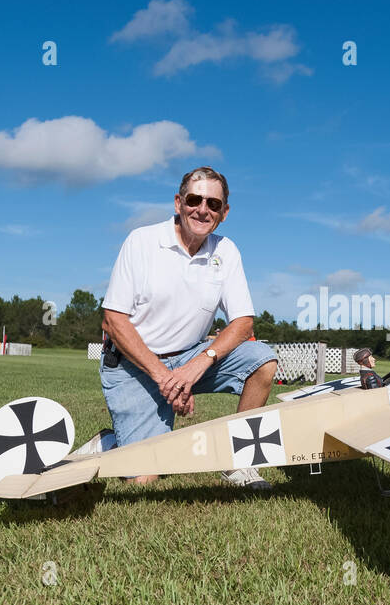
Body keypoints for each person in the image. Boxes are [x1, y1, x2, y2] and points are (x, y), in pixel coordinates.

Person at [100, 166, 278, 489]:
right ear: (178, 203)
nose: (202, 209)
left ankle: (238, 462)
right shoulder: (141, 242)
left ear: (224, 213)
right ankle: (110, 445)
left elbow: (243, 322)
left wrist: (198, 364)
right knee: (145, 480)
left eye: (213, 204)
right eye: (195, 199)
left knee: (263, 360)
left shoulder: (227, 251)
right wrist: (168, 380)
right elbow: (113, 321)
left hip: (189, 359)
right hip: (134, 366)